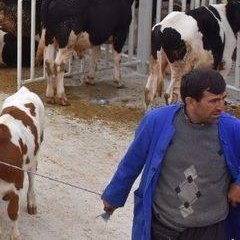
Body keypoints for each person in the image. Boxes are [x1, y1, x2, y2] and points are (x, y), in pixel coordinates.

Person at [102, 69, 240, 240]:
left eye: (223, 99)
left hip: (210, 230)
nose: (221, 106)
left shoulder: (232, 128)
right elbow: (132, 162)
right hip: (163, 226)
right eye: (213, 101)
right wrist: (113, 197)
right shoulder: (157, 121)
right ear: (190, 102)